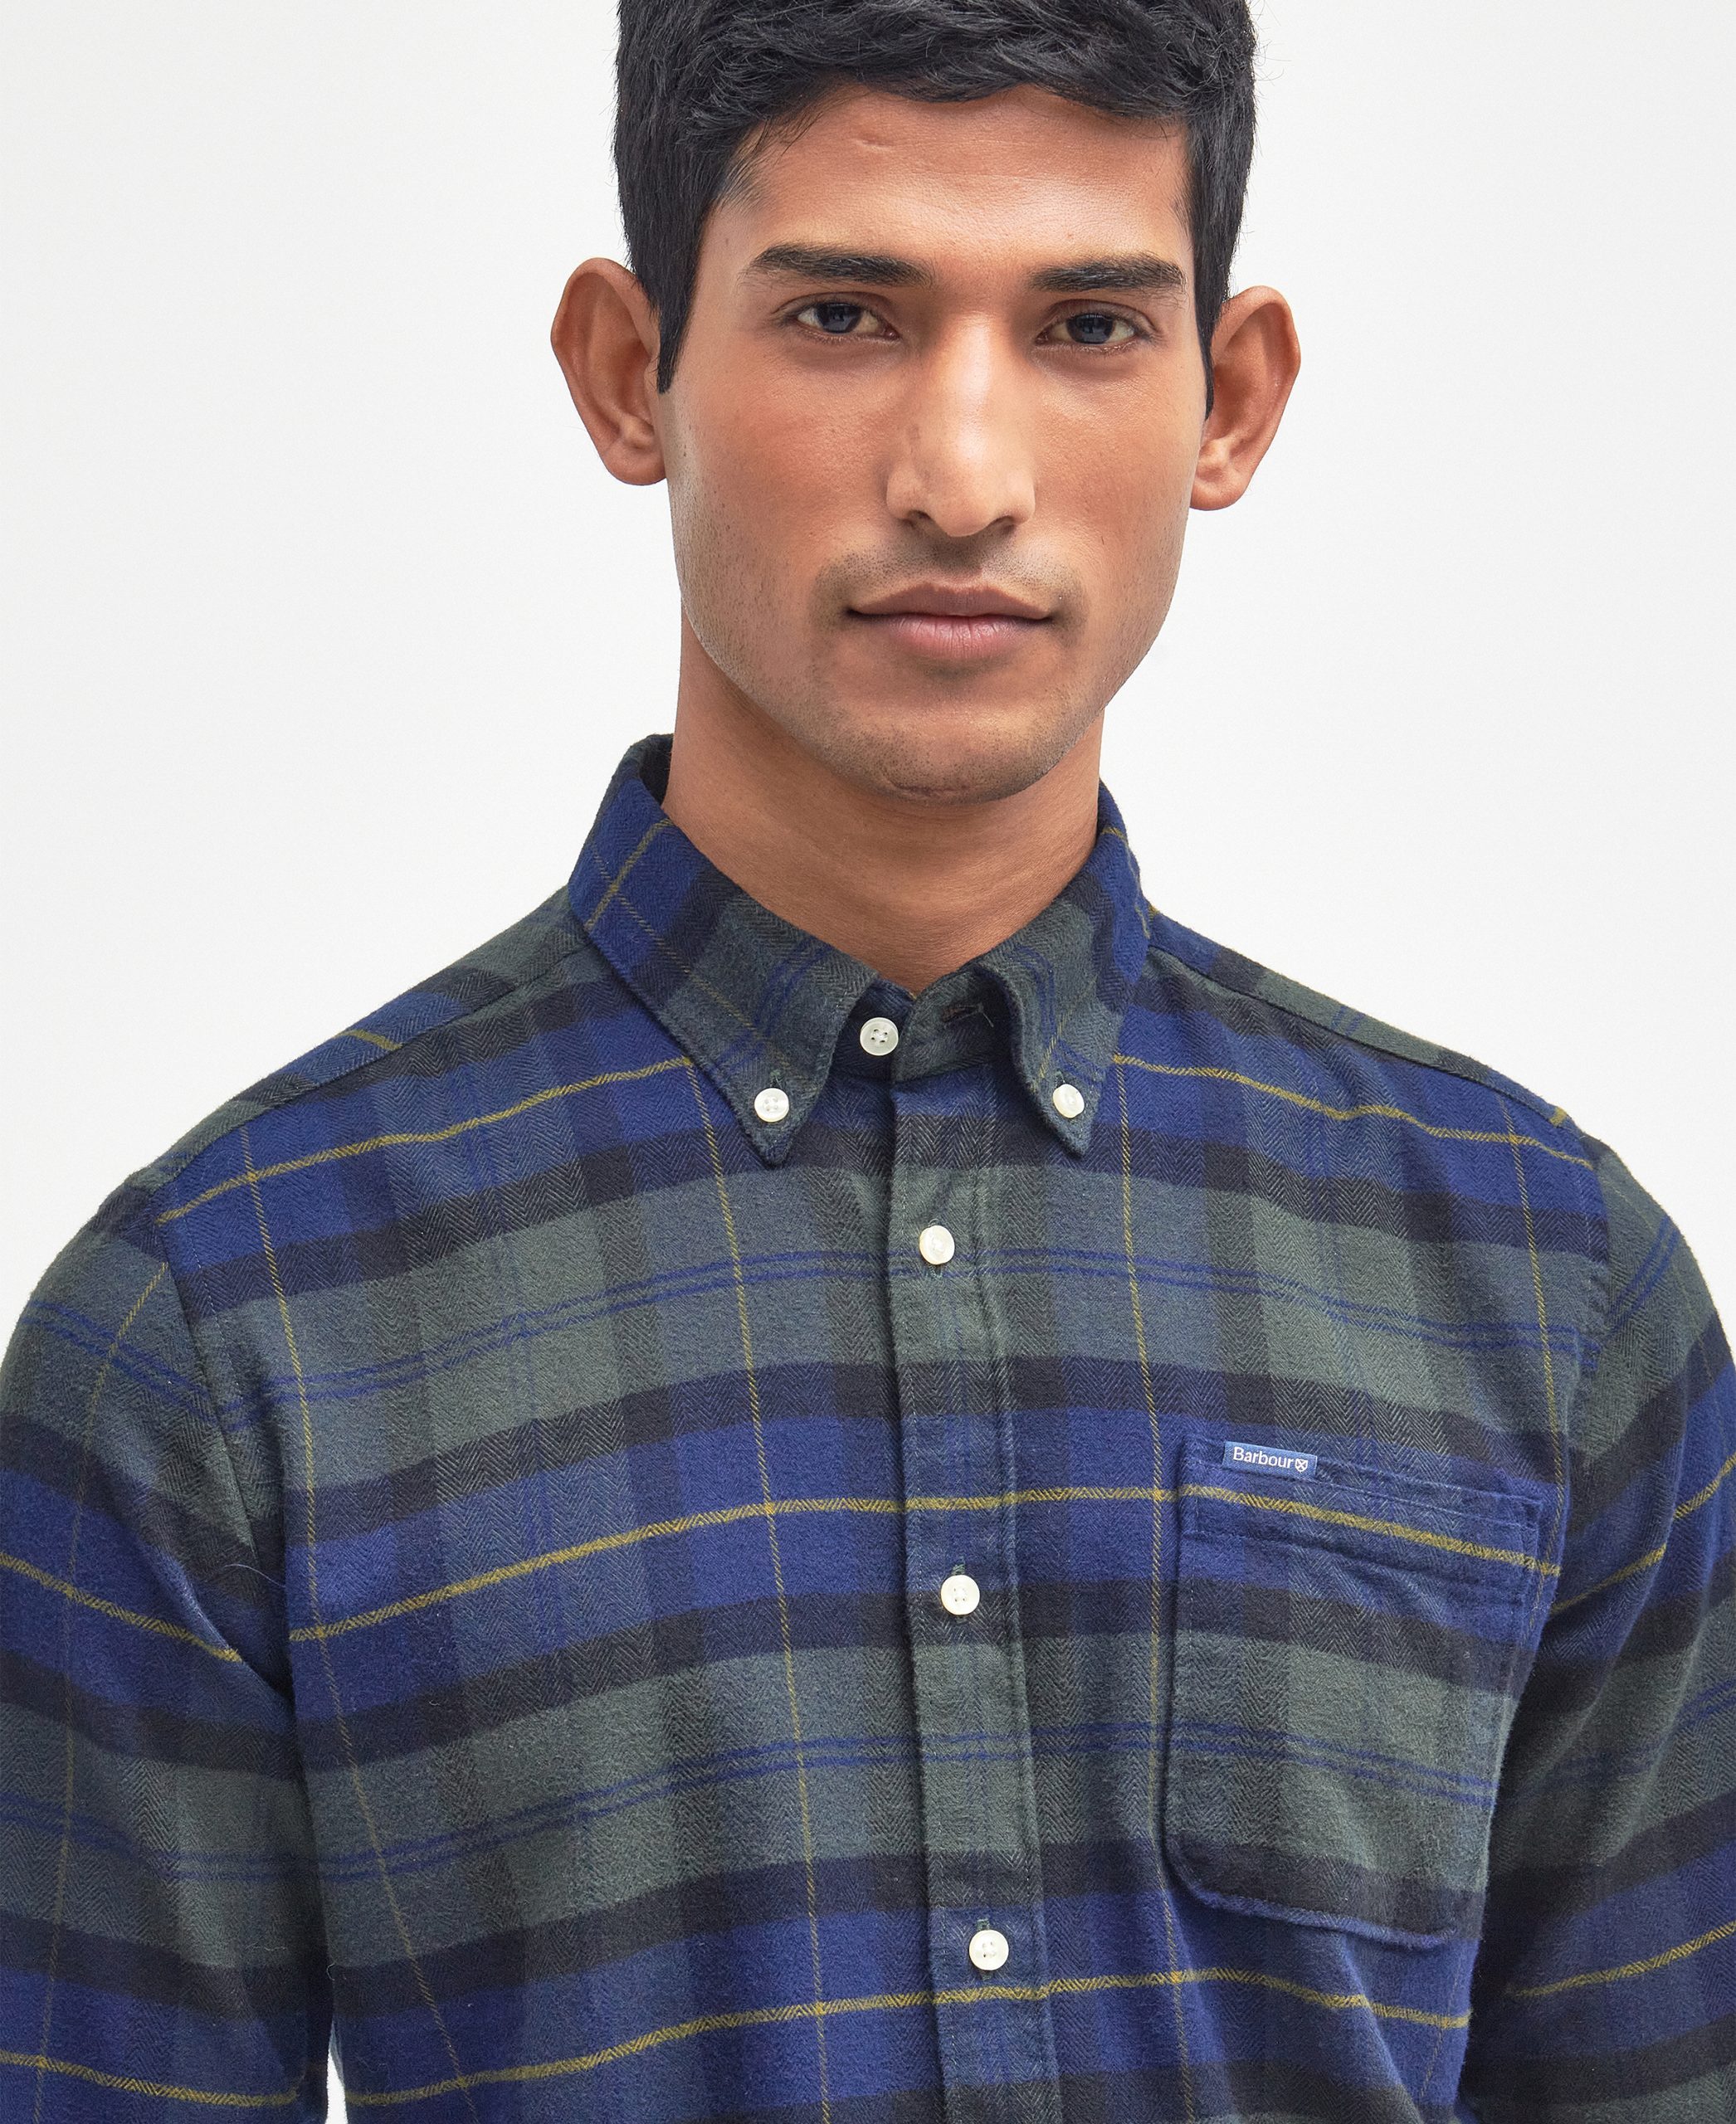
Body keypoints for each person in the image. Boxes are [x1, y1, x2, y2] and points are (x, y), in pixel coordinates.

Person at [2, 0, 1732, 2117]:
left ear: (1230, 397)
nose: (963, 477)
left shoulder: (1544, 1287)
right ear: (626, 371)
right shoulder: (223, 1331)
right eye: (840, 315)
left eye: (1086, 325)